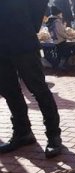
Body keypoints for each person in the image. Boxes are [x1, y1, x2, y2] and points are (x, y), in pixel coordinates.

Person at [0, 0, 63, 158]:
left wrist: (31, 23)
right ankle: (23, 132)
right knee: (9, 91)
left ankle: (53, 135)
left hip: (23, 39)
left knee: (39, 89)